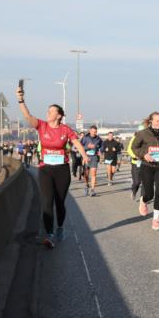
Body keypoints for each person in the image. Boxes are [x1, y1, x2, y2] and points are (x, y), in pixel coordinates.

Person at [16, 84, 89, 249]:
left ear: (59, 115)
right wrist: (21, 99)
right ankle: (49, 234)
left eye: (51, 111)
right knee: (47, 202)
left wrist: (84, 156)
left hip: (62, 170)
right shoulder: (42, 126)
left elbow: (76, 143)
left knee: (59, 202)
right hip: (45, 169)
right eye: (47, 111)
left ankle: (60, 227)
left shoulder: (65, 129)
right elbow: (27, 115)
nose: (47, 113)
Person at [132, 112, 159, 230]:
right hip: (147, 166)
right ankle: (143, 201)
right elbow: (134, 147)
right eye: (157, 121)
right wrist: (144, 155)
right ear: (151, 121)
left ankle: (156, 221)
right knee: (149, 194)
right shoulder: (142, 133)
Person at [80, 125, 103, 197]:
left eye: (95, 132)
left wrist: (101, 151)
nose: (94, 133)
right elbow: (80, 147)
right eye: (93, 132)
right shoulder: (85, 138)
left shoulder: (98, 139)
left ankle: (92, 190)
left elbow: (102, 146)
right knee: (86, 174)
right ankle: (86, 184)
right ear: (90, 131)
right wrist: (87, 147)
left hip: (94, 157)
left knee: (93, 173)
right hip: (86, 157)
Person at [126, 126, 143, 201]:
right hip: (136, 162)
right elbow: (129, 150)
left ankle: (143, 198)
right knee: (137, 182)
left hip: (146, 163)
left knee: (145, 182)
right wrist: (135, 156)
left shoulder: (148, 138)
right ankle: (134, 191)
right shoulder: (134, 138)